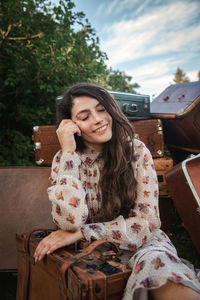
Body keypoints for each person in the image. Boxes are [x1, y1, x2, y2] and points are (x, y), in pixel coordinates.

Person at [34, 83, 200, 300]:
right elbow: (69, 222)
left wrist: (85, 231)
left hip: (144, 244)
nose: (98, 119)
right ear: (72, 126)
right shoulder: (64, 160)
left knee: (160, 271)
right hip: (90, 252)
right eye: (84, 117)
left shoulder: (137, 152)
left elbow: (147, 224)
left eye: (101, 109)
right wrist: (68, 152)